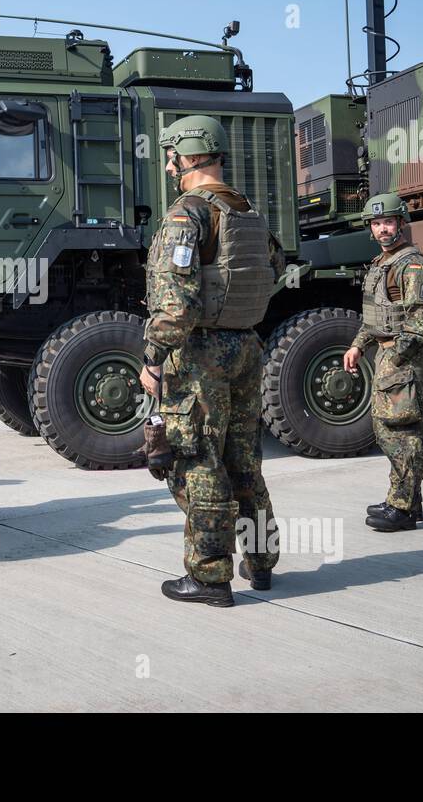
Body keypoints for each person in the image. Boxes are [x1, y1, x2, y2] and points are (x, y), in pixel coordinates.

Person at [139, 115, 284, 608]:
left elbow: (177, 305)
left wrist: (154, 357)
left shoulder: (188, 214)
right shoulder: (246, 210)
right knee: (245, 461)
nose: (167, 163)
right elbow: (274, 269)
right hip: (246, 346)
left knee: (196, 460)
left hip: (200, 354)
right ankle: (261, 563)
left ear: (189, 154)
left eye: (170, 153)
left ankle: (209, 577)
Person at [343, 192, 423, 532]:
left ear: (401, 223)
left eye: (387, 222)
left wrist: (395, 357)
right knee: (388, 428)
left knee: (400, 430)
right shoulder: (382, 264)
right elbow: (376, 316)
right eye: (376, 223)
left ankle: (401, 507)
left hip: (403, 357)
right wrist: (358, 345)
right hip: (387, 352)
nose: (382, 229)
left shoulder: (411, 265)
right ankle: (408, 501)